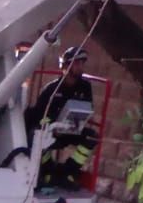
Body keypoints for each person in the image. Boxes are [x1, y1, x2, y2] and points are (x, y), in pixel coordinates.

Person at [27, 47, 98, 190]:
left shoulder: (85, 87)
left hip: (73, 130)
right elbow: (37, 116)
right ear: (65, 66)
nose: (80, 67)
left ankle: (67, 172)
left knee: (92, 137)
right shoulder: (51, 89)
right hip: (51, 133)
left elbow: (87, 108)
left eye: (82, 64)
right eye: (77, 63)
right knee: (37, 136)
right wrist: (53, 127)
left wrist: (78, 124)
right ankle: (47, 172)